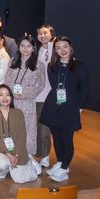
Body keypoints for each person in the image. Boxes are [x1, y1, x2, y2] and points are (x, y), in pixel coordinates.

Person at [40, 36, 89, 182]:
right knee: (56, 136)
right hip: (53, 105)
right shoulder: (52, 66)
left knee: (67, 138)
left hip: (70, 107)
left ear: (71, 47)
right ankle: (60, 162)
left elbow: (84, 90)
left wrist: (79, 108)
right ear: (55, 50)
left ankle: (64, 167)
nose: (62, 50)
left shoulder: (81, 67)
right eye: (58, 47)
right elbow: (53, 85)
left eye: (65, 46)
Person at [0, 84, 40, 183]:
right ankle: (2, 170)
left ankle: (26, 160)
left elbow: (22, 136)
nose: (5, 98)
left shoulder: (18, 113)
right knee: (2, 164)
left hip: (17, 149)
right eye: (1, 95)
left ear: (11, 97)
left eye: (7, 95)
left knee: (20, 173)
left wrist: (16, 155)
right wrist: (9, 154)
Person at [4, 34, 45, 159]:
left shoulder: (39, 64)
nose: (25, 49)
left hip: (27, 102)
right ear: (18, 47)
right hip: (12, 102)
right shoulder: (12, 61)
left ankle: (27, 157)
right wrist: (10, 95)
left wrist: (26, 94)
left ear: (33, 48)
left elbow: (41, 84)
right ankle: (11, 156)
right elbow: (7, 80)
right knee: (12, 128)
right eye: (22, 46)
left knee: (27, 129)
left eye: (29, 46)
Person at [35, 24, 56, 167]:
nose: (42, 36)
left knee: (44, 127)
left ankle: (45, 156)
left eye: (45, 33)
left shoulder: (55, 49)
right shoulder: (38, 50)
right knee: (36, 126)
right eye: (40, 34)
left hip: (47, 94)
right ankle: (39, 153)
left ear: (52, 34)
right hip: (35, 93)